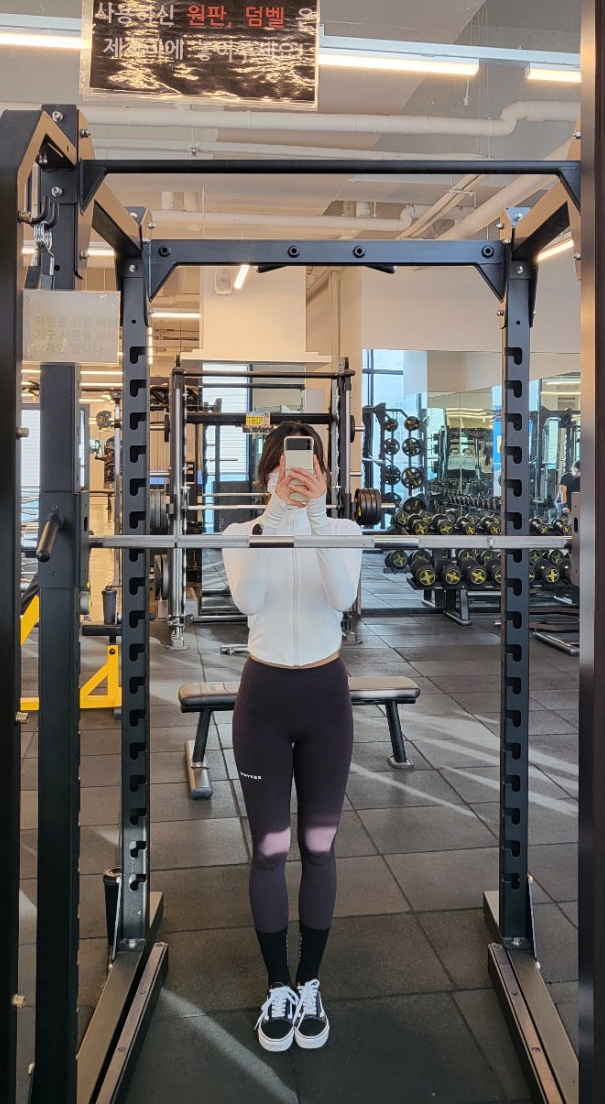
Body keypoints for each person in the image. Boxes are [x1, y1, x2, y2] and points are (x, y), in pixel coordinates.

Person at [222, 421, 362, 1053]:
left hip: (326, 701)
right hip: (265, 702)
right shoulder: (241, 534)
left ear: (324, 473)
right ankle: (277, 984)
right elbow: (249, 600)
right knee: (270, 850)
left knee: (319, 846)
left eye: (306, 463)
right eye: (283, 463)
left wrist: (313, 519)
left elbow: (342, 595)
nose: (295, 472)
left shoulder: (344, 533)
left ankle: (310, 982)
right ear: (267, 473)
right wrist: (280, 515)